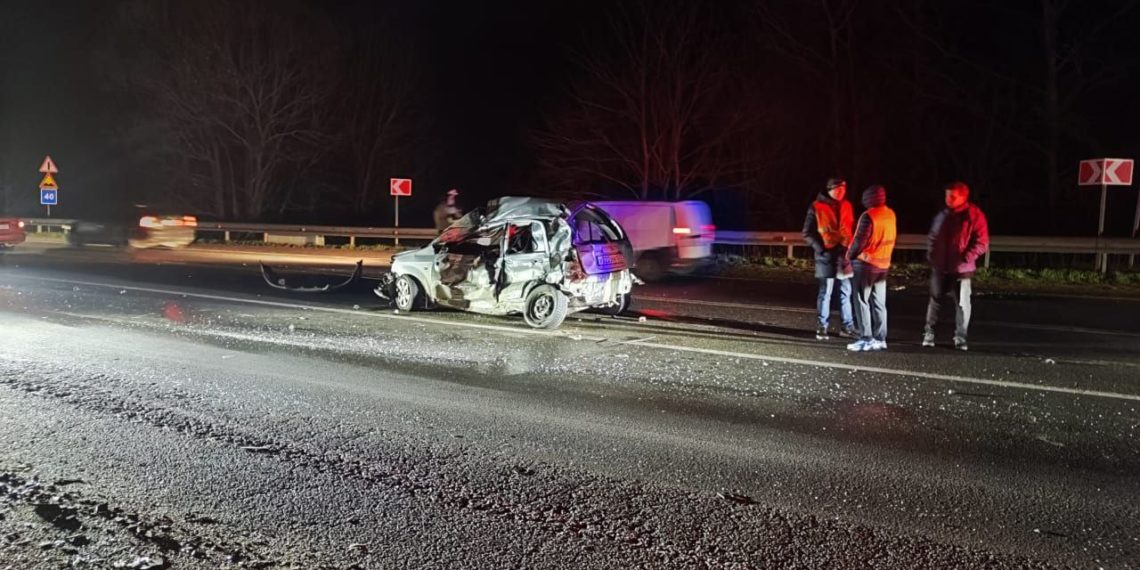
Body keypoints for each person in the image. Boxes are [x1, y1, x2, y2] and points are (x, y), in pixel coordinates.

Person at [923, 181, 990, 351]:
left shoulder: (974, 215)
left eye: (952, 196)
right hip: (940, 267)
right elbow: (932, 236)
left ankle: (960, 337)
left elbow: (982, 242)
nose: (948, 199)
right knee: (935, 300)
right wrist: (932, 254)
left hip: (962, 269)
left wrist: (967, 257)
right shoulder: (942, 215)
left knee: (961, 303)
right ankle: (929, 333)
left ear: (963, 197)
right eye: (947, 195)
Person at [802, 178, 857, 340]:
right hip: (826, 256)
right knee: (826, 292)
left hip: (844, 255)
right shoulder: (816, 207)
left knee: (846, 292)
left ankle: (848, 327)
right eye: (838, 189)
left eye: (843, 189)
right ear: (830, 190)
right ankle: (822, 327)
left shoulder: (847, 205)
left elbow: (851, 228)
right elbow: (807, 232)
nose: (841, 192)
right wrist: (821, 249)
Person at [845, 185, 897, 352]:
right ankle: (881, 338)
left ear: (869, 199)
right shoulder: (890, 213)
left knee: (861, 301)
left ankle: (866, 338)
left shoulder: (869, 216)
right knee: (879, 303)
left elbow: (860, 241)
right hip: (883, 265)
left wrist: (849, 256)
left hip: (867, 265)